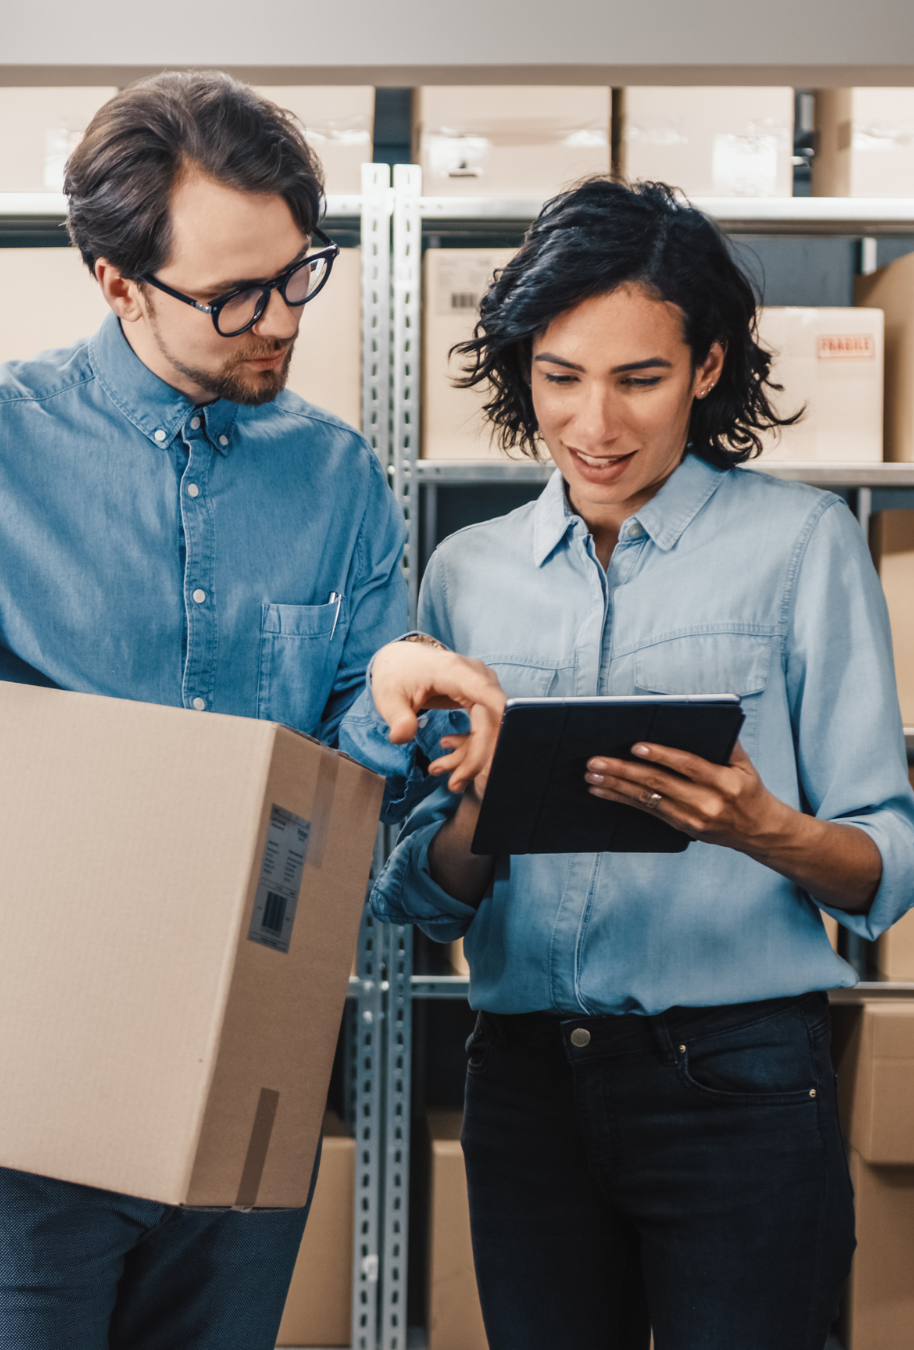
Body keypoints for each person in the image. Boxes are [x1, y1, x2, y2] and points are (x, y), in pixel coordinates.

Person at [0, 70, 430, 1350]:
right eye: (230, 296)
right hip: (11, 1104)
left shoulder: (339, 482)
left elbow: (348, 792)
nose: (279, 321)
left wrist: (391, 716)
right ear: (115, 282)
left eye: (296, 274)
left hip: (243, 1089)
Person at [339, 178, 914, 1350]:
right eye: (560, 378)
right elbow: (412, 890)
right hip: (525, 1084)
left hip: (739, 1082)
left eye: (638, 379)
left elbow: (884, 864)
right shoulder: (466, 572)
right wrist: (475, 816)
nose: (594, 424)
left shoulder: (804, 547)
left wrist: (764, 827)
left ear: (706, 369)